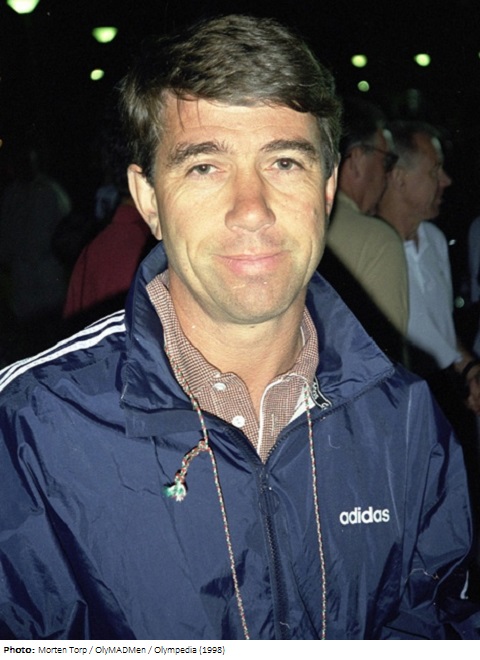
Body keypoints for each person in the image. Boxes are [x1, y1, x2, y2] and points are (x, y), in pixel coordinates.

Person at [0, 15, 479, 640]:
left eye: (284, 162)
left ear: (327, 189)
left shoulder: (406, 421)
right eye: (205, 166)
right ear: (148, 198)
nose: (251, 210)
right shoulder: (32, 430)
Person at [319, 98, 408, 364]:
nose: (389, 175)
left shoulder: (295, 225)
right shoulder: (378, 241)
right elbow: (388, 363)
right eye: (387, 161)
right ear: (356, 159)